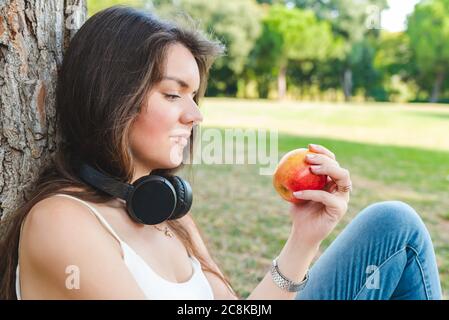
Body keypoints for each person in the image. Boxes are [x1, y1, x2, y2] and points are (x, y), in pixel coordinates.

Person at [0, 6, 442, 300]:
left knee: (393, 225)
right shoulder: (62, 221)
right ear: (113, 96)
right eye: (174, 94)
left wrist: (304, 238)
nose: (195, 115)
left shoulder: (165, 208)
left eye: (195, 96)